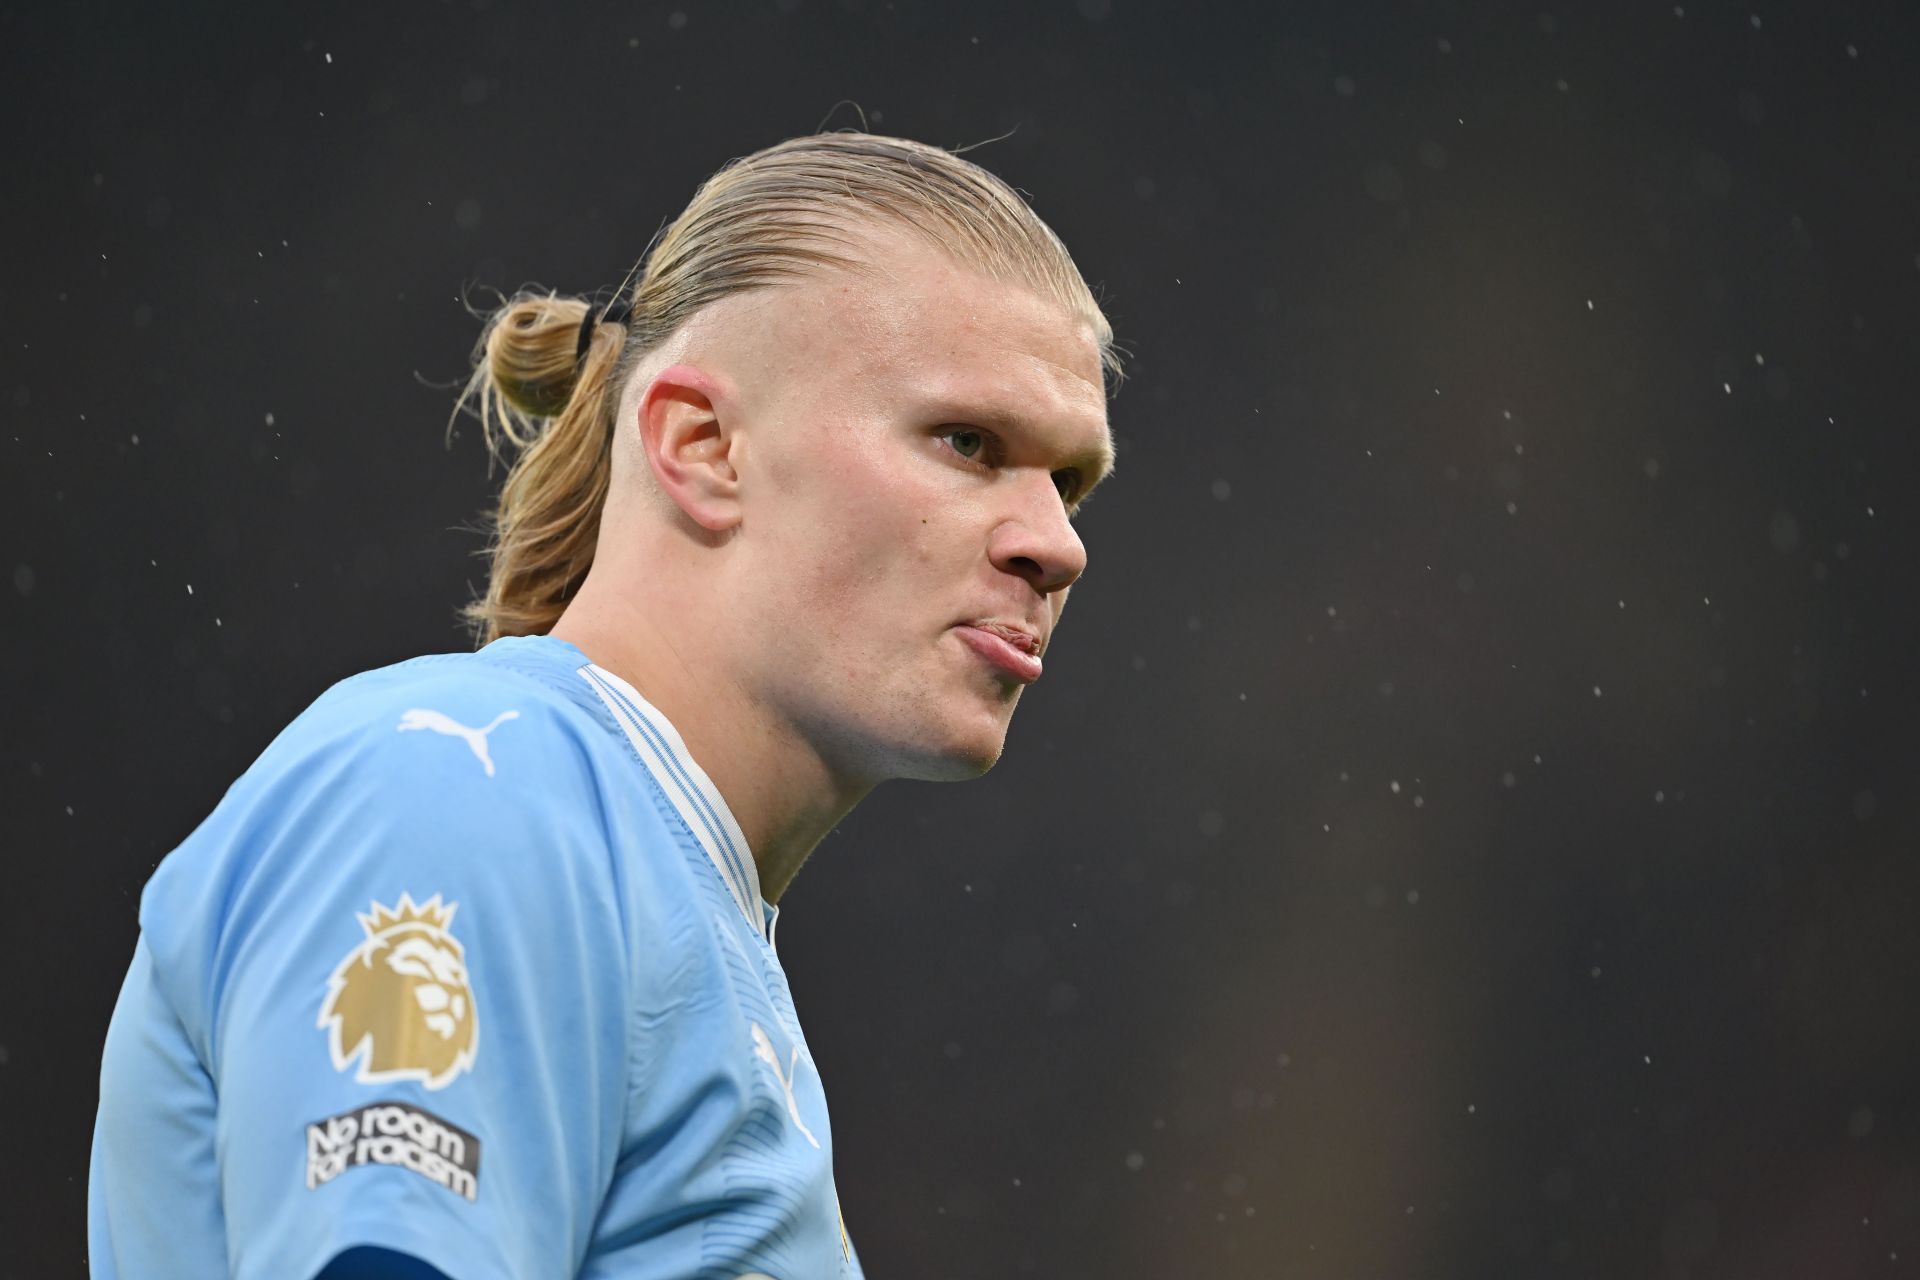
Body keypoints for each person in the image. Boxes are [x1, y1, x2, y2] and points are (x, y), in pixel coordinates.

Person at [87, 130, 1121, 1280]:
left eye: (1070, 481)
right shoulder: (457, 785)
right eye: (969, 442)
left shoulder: (658, 888)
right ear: (703, 445)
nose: (1056, 543)